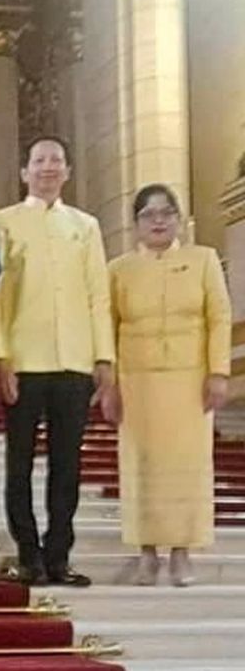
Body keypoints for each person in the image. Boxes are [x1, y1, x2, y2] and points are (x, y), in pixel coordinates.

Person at [0, 136, 114, 588]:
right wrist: (0, 356)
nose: (47, 168)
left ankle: (59, 555)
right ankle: (29, 554)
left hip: (75, 360)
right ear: (24, 172)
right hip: (24, 359)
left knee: (67, 463)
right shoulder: (4, 223)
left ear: (68, 171)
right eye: (38, 161)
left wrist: (104, 356)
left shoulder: (86, 226)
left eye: (55, 161)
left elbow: (99, 294)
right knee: (18, 463)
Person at [103, 184, 229, 587]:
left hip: (189, 381)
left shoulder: (203, 260)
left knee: (186, 467)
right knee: (140, 466)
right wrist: (108, 383)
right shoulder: (118, 269)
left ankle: (181, 554)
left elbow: (219, 318)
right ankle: (145, 553)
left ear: (179, 219)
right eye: (148, 214)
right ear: (135, 224)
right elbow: (107, 327)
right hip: (136, 382)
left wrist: (218, 373)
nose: (158, 221)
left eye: (166, 213)